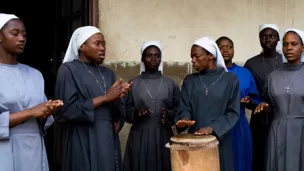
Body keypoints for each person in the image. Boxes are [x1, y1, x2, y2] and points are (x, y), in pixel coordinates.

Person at [55, 26, 131, 171]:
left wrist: (116, 99)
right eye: (97, 43)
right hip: (81, 137)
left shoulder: (108, 73)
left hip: (106, 138)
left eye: (104, 44)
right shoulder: (68, 70)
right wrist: (106, 97)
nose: (102, 48)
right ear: (81, 46)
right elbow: (67, 111)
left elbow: (118, 116)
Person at [0, 13, 63, 171]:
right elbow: (32, 111)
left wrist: (45, 112)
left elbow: (41, 119)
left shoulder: (35, 74)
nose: (21, 38)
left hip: (34, 147)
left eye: (24, 34)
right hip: (5, 147)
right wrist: (30, 112)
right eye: (15, 34)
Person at [176, 37, 240, 171]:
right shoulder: (190, 81)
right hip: (194, 141)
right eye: (191, 57)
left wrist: (213, 128)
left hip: (220, 140)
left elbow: (233, 112)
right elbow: (184, 106)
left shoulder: (230, 80)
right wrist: (185, 120)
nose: (193, 60)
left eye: (197, 56)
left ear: (210, 55)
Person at [123, 41, 180, 171]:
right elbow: (125, 111)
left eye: (157, 56)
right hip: (140, 135)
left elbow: (178, 110)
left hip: (163, 134)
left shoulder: (170, 84)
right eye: (149, 55)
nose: (153, 59)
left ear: (161, 58)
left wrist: (169, 115)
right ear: (142, 59)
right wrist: (136, 112)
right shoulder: (133, 83)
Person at [255, 28, 304, 171]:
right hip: (278, 131)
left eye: (294, 44)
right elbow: (269, 103)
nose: (289, 48)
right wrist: (264, 106)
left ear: (303, 48)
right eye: (285, 44)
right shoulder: (273, 76)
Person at [216, 36, 261, 171]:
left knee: (240, 163)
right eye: (221, 47)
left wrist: (249, 102)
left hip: (239, 126)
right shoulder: (211, 74)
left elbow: (255, 102)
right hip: (218, 125)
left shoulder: (245, 73)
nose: (226, 50)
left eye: (229, 47)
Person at [244, 24, 284, 171]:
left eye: (272, 36)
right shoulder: (251, 63)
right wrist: (254, 104)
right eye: (263, 36)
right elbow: (249, 94)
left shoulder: (284, 61)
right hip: (259, 118)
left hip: (281, 115)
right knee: (259, 156)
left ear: (278, 39)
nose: (267, 39)